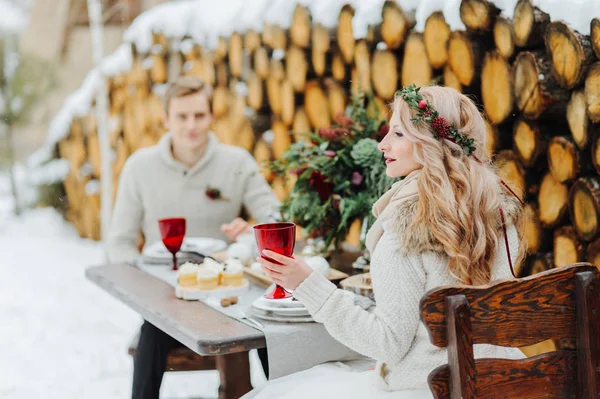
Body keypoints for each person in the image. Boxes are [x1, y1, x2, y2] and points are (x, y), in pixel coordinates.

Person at [244, 85, 525, 399]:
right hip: (502, 380)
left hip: (427, 387)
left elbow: (387, 344)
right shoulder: (497, 215)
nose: (382, 144)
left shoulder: (406, 233)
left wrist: (308, 284)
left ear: (432, 144)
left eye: (399, 134)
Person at [107, 76, 279, 399]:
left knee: (269, 336)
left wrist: (252, 231)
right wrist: (146, 288)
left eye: (199, 116)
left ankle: (283, 392)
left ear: (212, 116)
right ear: (165, 118)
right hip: (167, 299)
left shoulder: (236, 162)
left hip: (231, 298)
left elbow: (275, 217)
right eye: (182, 116)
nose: (192, 126)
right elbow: (119, 243)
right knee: (152, 335)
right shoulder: (139, 168)